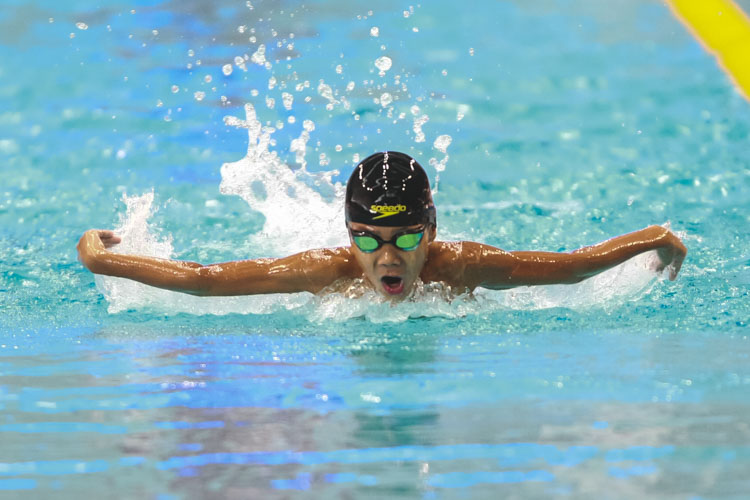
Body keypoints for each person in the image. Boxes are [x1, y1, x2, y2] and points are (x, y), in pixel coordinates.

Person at [77, 151, 686, 300]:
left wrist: (653, 238)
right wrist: (103, 260)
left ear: (432, 230)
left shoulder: (464, 266)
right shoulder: (324, 273)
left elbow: (572, 267)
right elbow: (206, 280)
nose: (386, 258)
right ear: (349, 236)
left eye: (405, 240)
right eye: (368, 239)